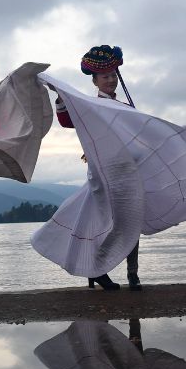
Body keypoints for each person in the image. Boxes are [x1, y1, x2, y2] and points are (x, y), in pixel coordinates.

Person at [54, 45, 140, 290]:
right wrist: (62, 98)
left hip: (126, 171)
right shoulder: (89, 105)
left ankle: (132, 274)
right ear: (95, 81)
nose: (111, 80)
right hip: (102, 173)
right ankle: (98, 270)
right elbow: (66, 120)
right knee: (107, 223)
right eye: (105, 76)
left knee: (132, 222)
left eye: (113, 75)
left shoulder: (125, 107)